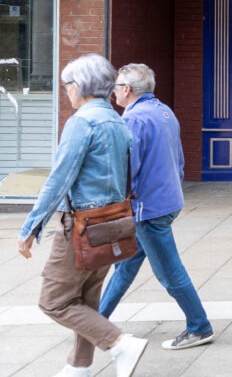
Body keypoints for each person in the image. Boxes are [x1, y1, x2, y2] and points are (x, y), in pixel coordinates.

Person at [17, 53, 148, 377]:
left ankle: (119, 343)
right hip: (111, 223)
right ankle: (80, 367)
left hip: (80, 226)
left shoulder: (83, 122)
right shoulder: (118, 121)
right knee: (86, 299)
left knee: (55, 301)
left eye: (66, 86)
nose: (66, 92)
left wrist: (31, 226)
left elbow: (59, 178)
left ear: (82, 85)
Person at [98, 63, 215, 350]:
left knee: (169, 273)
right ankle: (95, 323)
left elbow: (128, 167)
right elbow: (177, 157)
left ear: (127, 89)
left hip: (148, 209)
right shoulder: (164, 111)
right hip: (166, 200)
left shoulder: (134, 119)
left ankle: (199, 327)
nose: (113, 93)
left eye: (115, 87)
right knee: (125, 266)